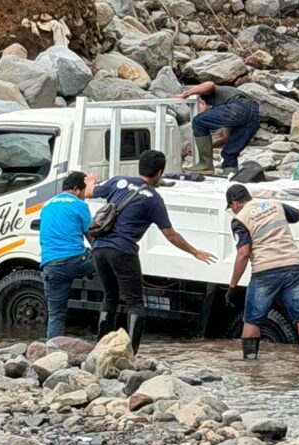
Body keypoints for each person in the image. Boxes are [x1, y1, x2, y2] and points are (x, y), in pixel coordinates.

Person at [86, 150, 216, 352]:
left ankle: (100, 349)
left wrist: (91, 180)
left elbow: (88, 192)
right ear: (159, 173)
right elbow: (170, 234)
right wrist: (194, 251)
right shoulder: (153, 198)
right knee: (135, 303)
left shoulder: (119, 181)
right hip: (123, 250)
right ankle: (131, 352)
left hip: (99, 247)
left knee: (110, 296)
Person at [225, 184, 299, 362]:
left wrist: (232, 285)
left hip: (265, 272)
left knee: (252, 320)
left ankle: (250, 368)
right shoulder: (274, 204)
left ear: (235, 203)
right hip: (293, 266)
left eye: (231, 207)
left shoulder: (240, 219)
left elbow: (243, 253)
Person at [39, 171, 97, 340]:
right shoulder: (80, 205)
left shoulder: (47, 205)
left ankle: (52, 353)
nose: (85, 197)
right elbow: (91, 236)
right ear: (77, 190)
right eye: (84, 193)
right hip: (76, 261)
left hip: (50, 265)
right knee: (104, 259)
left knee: (56, 314)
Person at [177, 81, 260, 175]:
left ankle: (205, 165)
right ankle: (230, 175)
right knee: (229, 152)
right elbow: (225, 137)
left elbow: (209, 84)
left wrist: (185, 94)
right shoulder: (225, 100)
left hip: (238, 106)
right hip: (254, 114)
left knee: (198, 121)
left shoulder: (208, 94)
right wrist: (209, 145)